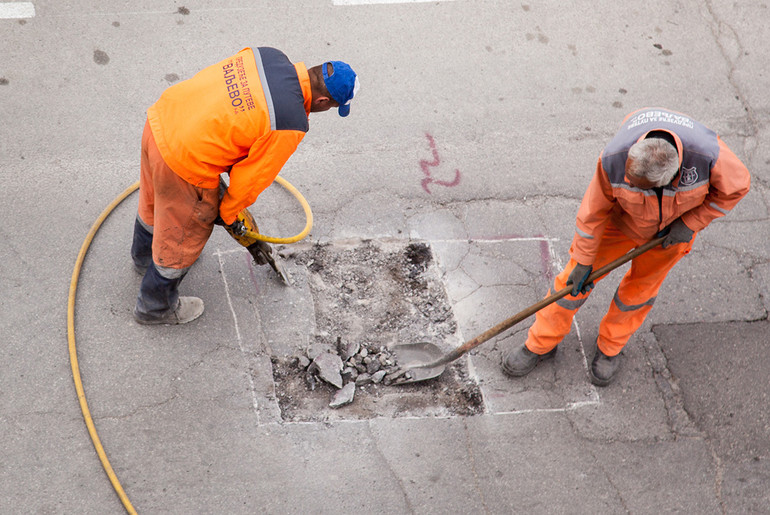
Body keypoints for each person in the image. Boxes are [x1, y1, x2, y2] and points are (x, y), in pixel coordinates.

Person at [501, 108, 750, 385]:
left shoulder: (709, 156)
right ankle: (540, 344)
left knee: (640, 291)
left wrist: (691, 222)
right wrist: (584, 260)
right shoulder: (614, 159)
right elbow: (592, 213)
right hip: (620, 224)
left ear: (670, 177)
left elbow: (737, 188)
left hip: (670, 233)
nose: (629, 184)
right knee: (571, 283)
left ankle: (610, 349)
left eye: (639, 186)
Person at [130, 47, 359, 325]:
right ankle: (155, 308)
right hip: (185, 161)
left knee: (154, 202)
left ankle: (143, 258)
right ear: (324, 101)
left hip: (162, 121)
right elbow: (249, 181)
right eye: (334, 108)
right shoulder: (289, 123)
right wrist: (229, 216)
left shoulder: (270, 56)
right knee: (184, 235)